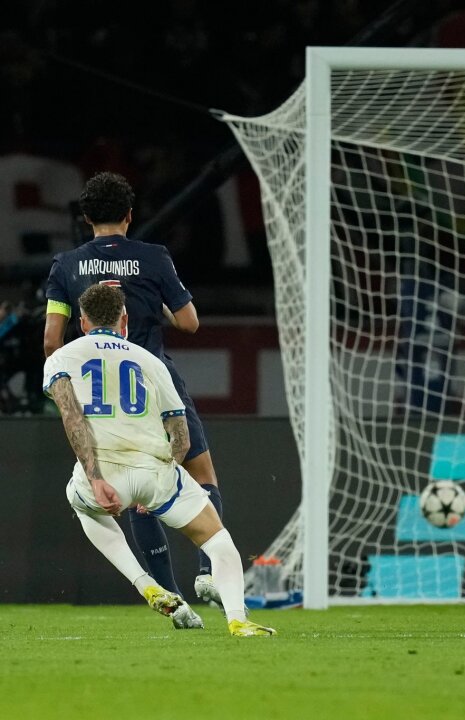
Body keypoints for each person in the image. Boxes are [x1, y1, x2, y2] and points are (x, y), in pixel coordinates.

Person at [43, 172, 226, 623]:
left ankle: (170, 593)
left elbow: (51, 339)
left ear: (86, 218)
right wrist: (155, 302)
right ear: (130, 214)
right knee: (199, 473)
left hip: (97, 393)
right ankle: (207, 571)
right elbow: (189, 323)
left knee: (126, 489)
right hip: (152, 378)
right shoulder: (154, 258)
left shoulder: (66, 265)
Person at [43, 284, 274, 636]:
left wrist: (95, 478)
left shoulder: (61, 358)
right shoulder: (150, 360)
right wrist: (168, 475)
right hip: (155, 469)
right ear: (124, 320)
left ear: (83, 322)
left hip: (103, 472)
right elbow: (179, 432)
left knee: (82, 506)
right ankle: (238, 620)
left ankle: (145, 584)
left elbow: (72, 417)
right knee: (219, 542)